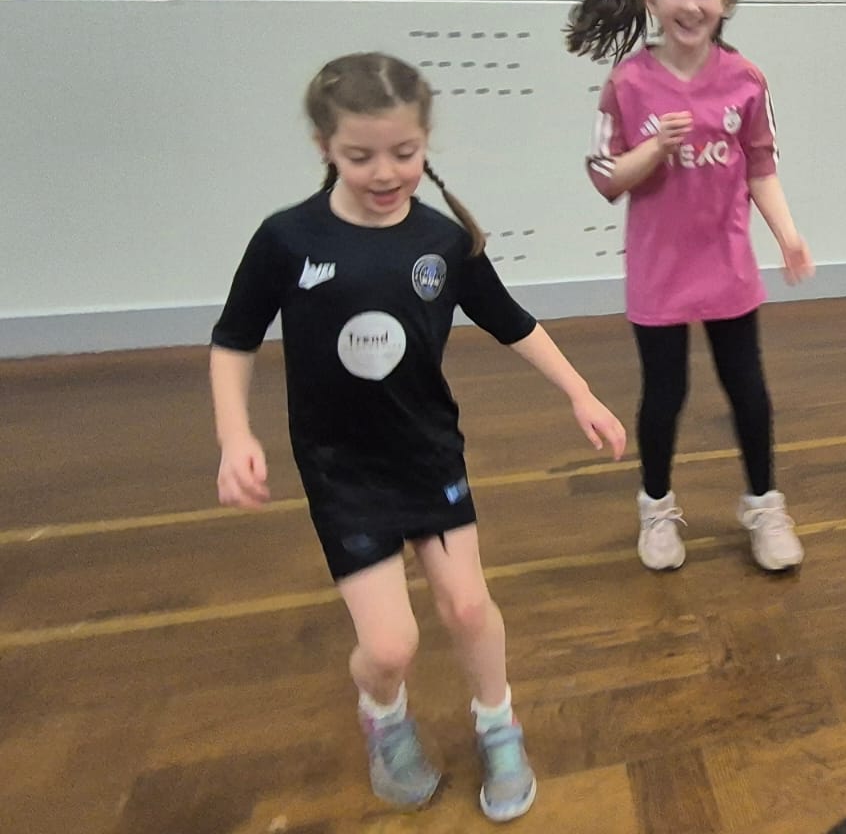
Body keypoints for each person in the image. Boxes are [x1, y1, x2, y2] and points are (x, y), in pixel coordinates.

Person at [209, 52, 626, 820]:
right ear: (324, 147)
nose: (384, 172)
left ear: (426, 141)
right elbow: (234, 339)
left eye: (403, 152)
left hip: (428, 454)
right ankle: (384, 715)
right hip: (342, 470)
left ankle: (498, 725)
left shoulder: (443, 240)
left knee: (468, 608)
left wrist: (580, 393)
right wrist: (235, 436)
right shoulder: (287, 239)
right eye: (360, 155)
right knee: (390, 646)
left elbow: (511, 321)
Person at [565, 0, 813, 573]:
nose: (691, 3)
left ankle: (764, 504)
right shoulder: (628, 84)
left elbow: (760, 166)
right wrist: (653, 150)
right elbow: (606, 177)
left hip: (726, 263)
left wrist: (788, 236)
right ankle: (656, 507)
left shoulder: (746, 79)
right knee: (664, 394)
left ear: (725, 0)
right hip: (660, 271)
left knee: (749, 389)